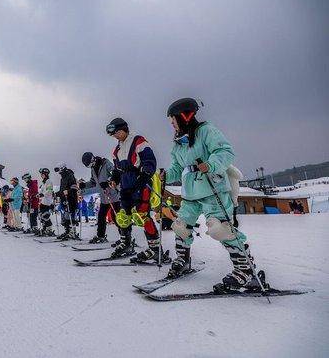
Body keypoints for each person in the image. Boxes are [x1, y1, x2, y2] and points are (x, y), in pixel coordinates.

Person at [161, 97, 263, 290]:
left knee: (220, 228)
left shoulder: (206, 131)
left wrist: (211, 164)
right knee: (180, 226)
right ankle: (183, 260)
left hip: (212, 187)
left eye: (173, 119)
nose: (172, 124)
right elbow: (177, 166)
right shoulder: (178, 143)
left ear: (184, 116)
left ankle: (245, 269)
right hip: (190, 192)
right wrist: (166, 174)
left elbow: (225, 151)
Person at [106, 118, 168, 262]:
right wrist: (114, 179)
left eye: (117, 132)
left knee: (142, 216)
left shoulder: (138, 141)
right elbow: (116, 169)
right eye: (113, 134)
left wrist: (144, 175)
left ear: (124, 129)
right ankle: (126, 244)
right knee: (123, 217)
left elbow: (150, 161)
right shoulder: (117, 149)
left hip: (141, 185)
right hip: (126, 187)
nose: (115, 136)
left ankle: (156, 250)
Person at [79, 152, 122, 244]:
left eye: (89, 164)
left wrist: (107, 182)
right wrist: (84, 185)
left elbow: (115, 175)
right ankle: (101, 236)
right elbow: (93, 182)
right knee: (101, 216)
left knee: (116, 217)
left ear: (93, 159)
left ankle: (124, 237)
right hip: (104, 197)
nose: (89, 166)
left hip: (113, 195)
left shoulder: (106, 164)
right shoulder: (93, 169)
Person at [55, 162, 79, 240]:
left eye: (59, 170)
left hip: (71, 199)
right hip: (64, 199)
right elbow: (62, 190)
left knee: (71, 215)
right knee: (65, 216)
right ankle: (67, 231)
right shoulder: (62, 178)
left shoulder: (70, 175)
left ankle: (73, 232)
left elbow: (74, 187)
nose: (58, 172)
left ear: (62, 168)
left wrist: (68, 191)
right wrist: (57, 194)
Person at [37, 168, 55, 236]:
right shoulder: (44, 182)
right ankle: (44, 228)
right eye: (41, 174)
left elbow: (49, 191)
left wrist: (43, 194)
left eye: (42, 174)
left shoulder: (49, 181)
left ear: (46, 174)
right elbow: (41, 190)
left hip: (47, 202)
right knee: (41, 216)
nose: (41, 175)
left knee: (45, 215)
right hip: (43, 202)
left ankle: (49, 229)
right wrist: (38, 194)